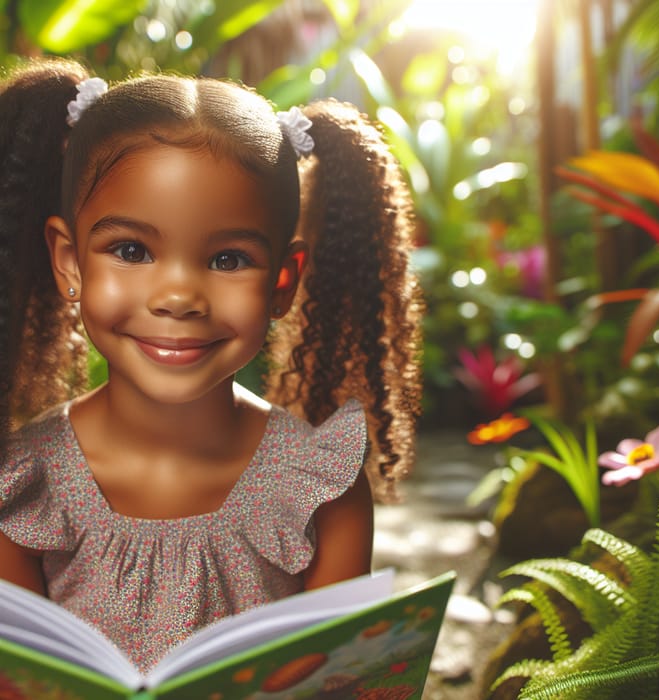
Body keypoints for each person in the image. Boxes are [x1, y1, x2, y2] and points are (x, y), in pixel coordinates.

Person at [0, 58, 421, 673]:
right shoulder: (21, 489)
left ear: (283, 281)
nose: (178, 296)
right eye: (131, 250)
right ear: (69, 262)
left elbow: (333, 685)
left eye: (228, 259)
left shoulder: (323, 493)